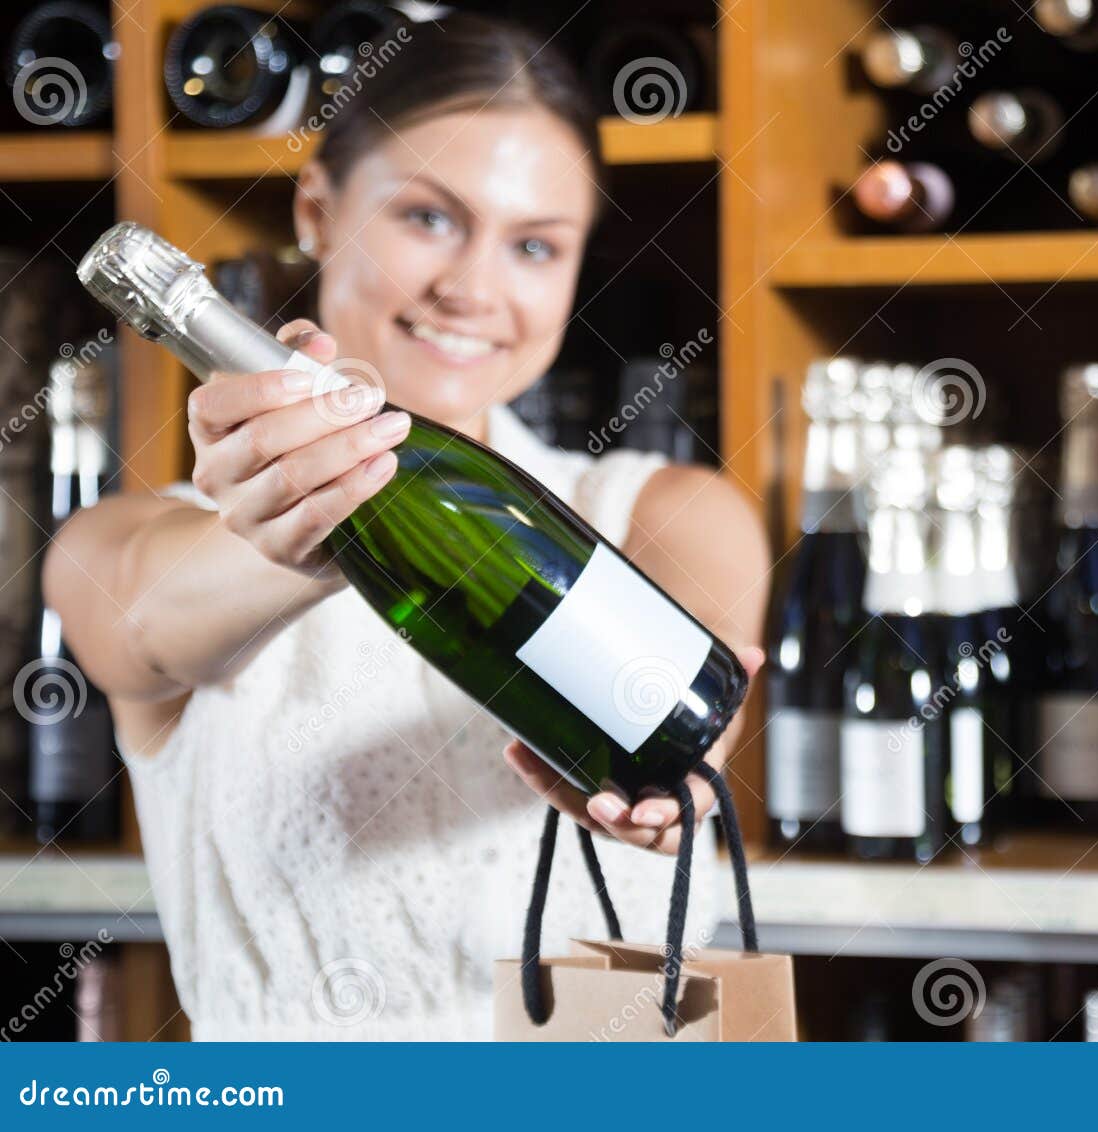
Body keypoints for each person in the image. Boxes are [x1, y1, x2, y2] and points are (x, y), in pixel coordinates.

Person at [45, 13, 768, 1040]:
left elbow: (695, 684)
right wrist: (309, 527)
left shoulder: (670, 513)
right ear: (318, 210)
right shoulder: (120, 547)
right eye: (428, 217)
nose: (471, 288)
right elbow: (144, 620)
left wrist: (667, 784)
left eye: (532, 245)